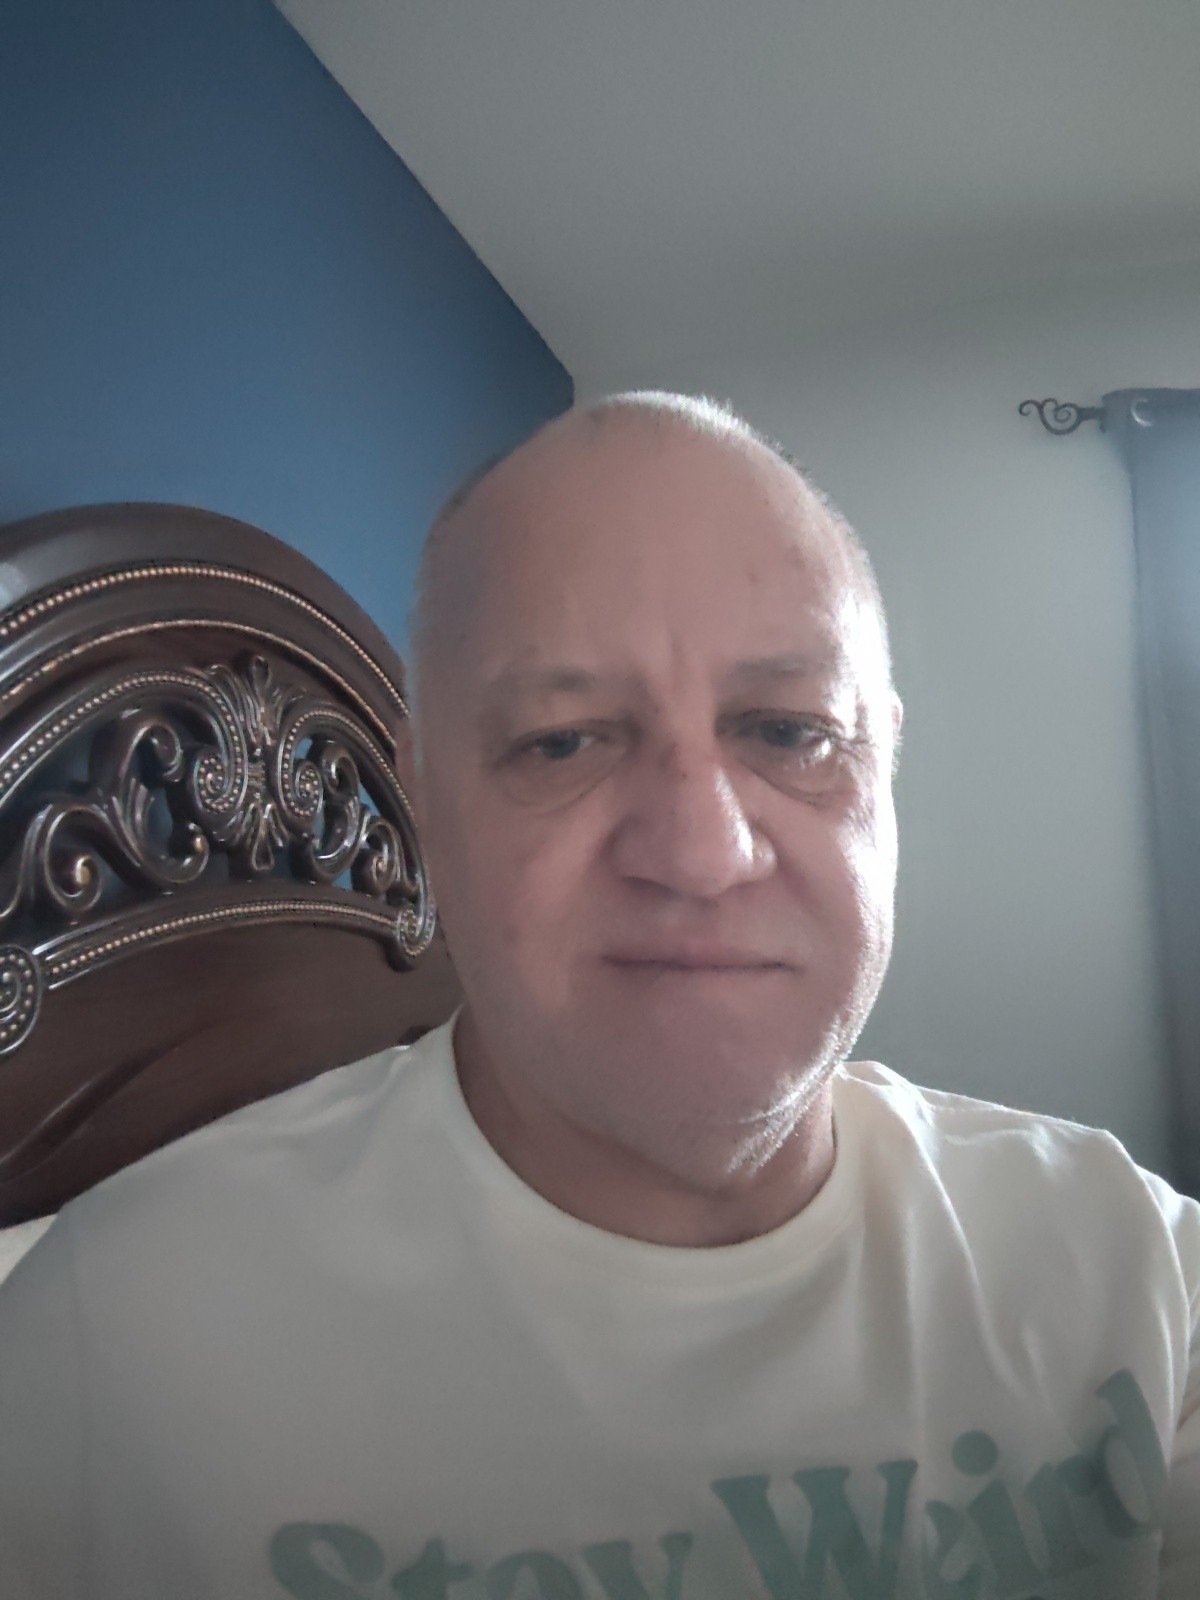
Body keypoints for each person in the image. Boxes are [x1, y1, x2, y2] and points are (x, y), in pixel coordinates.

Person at [1, 392, 1197, 1600]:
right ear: (425, 796)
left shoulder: (1137, 1268)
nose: (701, 852)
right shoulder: (116, 1354)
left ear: (885, 766)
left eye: (790, 732)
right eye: (563, 740)